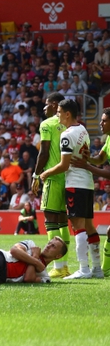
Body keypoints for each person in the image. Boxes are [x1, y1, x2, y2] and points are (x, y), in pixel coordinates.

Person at [40, 99, 101, 279]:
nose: (57, 114)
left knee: (77, 227)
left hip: (75, 183)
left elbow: (64, 165)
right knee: (89, 225)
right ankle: (96, 268)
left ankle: (83, 269)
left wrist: (45, 174)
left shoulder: (67, 135)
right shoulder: (83, 129)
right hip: (87, 182)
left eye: (59, 111)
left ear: (67, 114)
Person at [32, 93, 71, 278]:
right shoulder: (72, 124)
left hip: (53, 177)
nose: (44, 108)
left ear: (55, 105)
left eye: (47, 104)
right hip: (70, 177)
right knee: (63, 220)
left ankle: (59, 265)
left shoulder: (47, 124)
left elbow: (44, 152)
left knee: (50, 220)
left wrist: (36, 175)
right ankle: (64, 265)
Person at [70, 107, 110, 276]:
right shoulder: (109, 139)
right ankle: (104, 269)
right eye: (101, 120)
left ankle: (104, 269)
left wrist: (87, 166)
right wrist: (89, 158)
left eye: (104, 120)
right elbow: (101, 158)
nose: (101, 123)